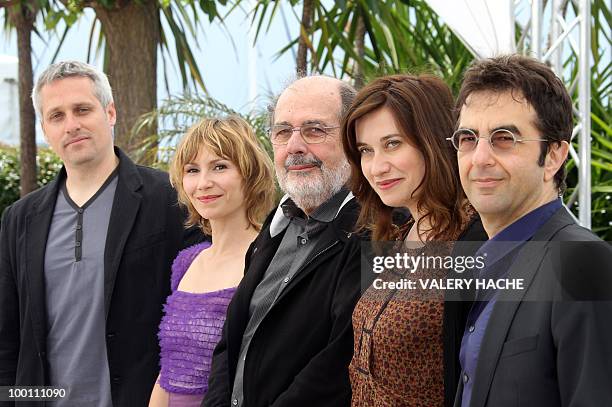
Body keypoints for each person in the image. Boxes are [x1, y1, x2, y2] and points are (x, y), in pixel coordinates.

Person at [0, 61, 202, 406]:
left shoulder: (170, 199)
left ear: (110, 112)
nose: (72, 125)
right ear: (45, 128)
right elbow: (7, 340)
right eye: (57, 115)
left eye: (82, 109)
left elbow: (195, 325)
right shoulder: (20, 219)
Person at [451, 54, 612, 407]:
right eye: (468, 138)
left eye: (504, 138)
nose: (479, 158)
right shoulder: (479, 265)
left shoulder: (581, 263)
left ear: (553, 156)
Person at [202, 76, 360, 407]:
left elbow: (339, 364)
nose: (295, 146)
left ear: (353, 139)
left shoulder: (372, 233)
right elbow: (231, 342)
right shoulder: (274, 229)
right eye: (283, 132)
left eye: (315, 130)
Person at [341, 74, 487, 407]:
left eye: (393, 143)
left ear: (433, 141)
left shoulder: (476, 240)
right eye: (366, 150)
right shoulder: (400, 235)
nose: (377, 167)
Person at [148, 117, 276, 407]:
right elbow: (169, 370)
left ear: (250, 173)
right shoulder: (187, 261)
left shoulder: (269, 260)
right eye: (192, 170)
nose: (203, 183)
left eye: (220, 166)